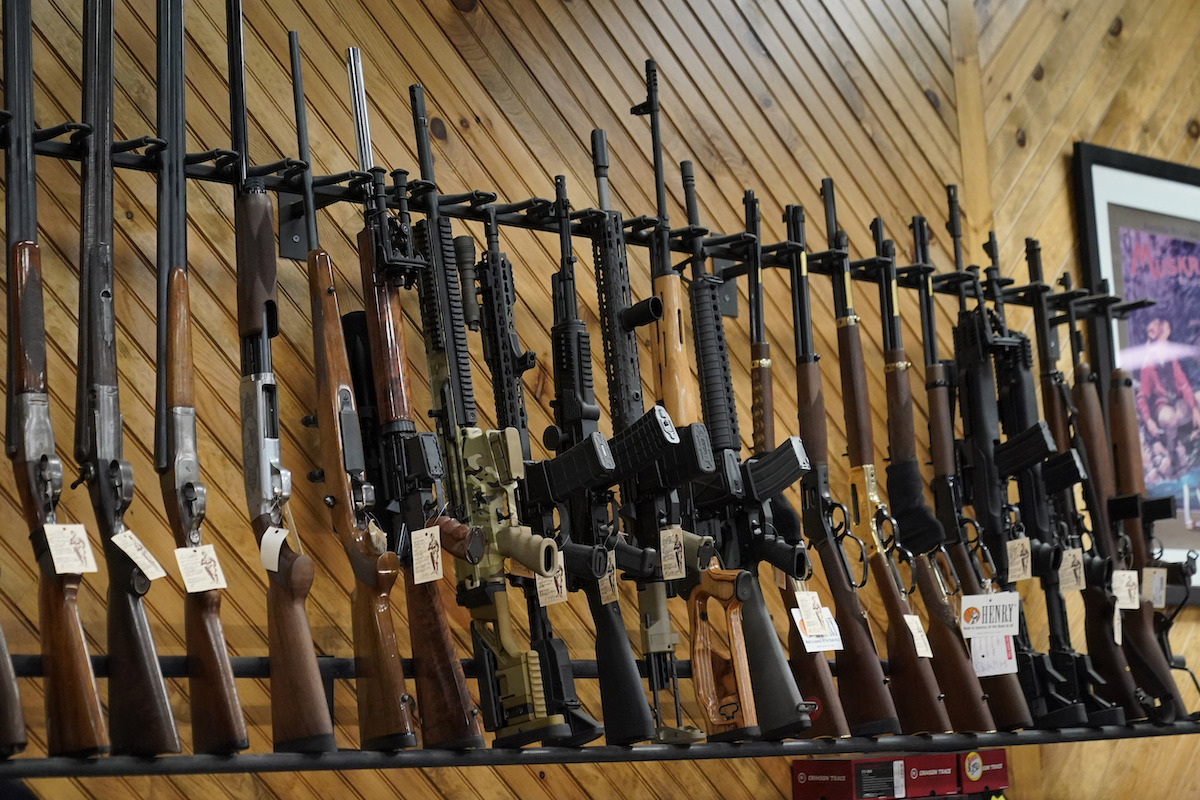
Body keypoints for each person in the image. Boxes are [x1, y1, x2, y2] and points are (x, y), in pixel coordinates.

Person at [1136, 317, 1200, 480]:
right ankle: (1172, 453)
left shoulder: (1174, 359)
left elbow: (1183, 384)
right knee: (1170, 418)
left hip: (1179, 402)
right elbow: (1142, 396)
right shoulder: (1149, 365)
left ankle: (1190, 441)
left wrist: (1193, 409)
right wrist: (1148, 420)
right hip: (1162, 406)